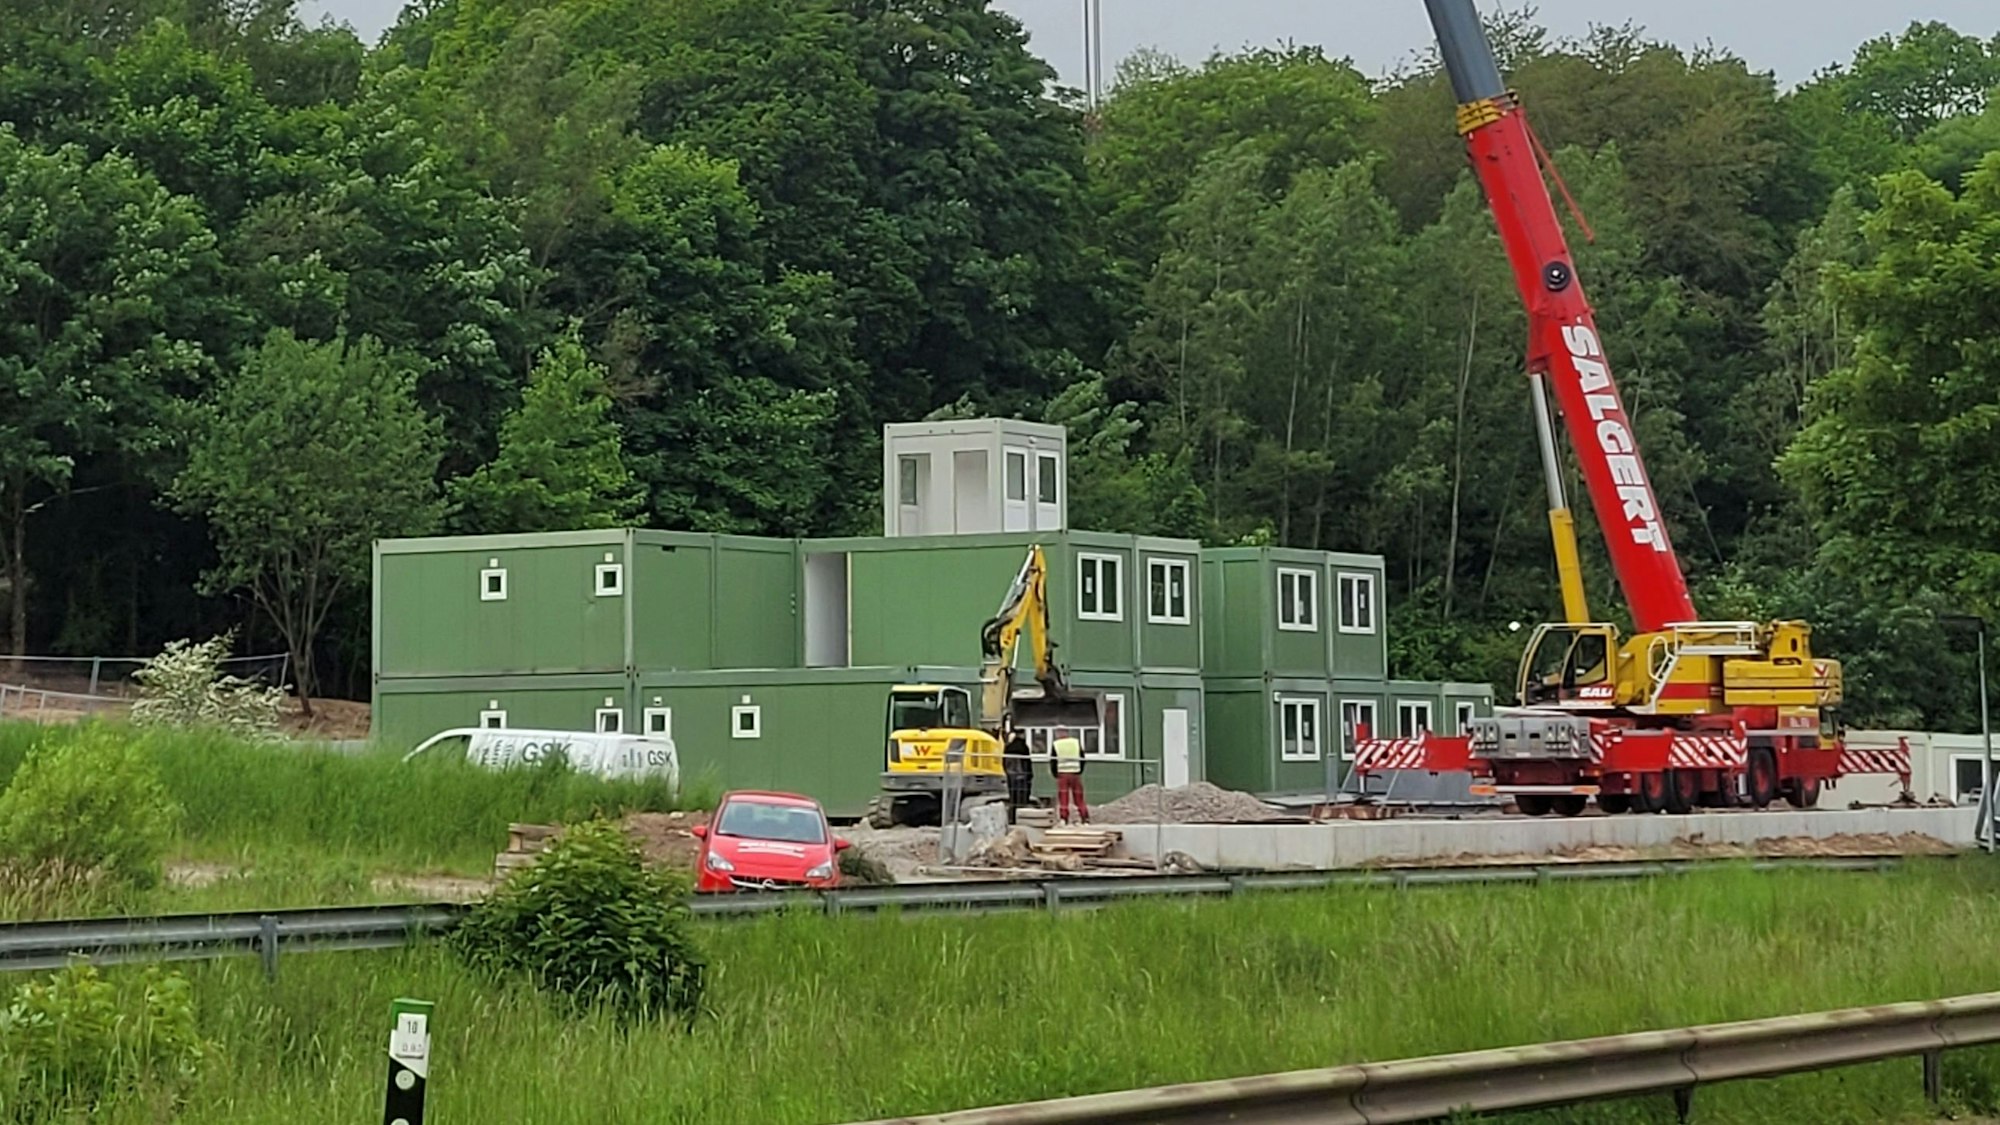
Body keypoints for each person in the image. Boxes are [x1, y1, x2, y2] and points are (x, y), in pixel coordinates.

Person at [1049, 725, 1088, 825]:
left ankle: (1064, 818)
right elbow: (1082, 758)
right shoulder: (1075, 742)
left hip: (1062, 774)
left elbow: (1053, 761)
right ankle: (1084, 817)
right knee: (1079, 797)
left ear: (1059, 733)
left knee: (1063, 797)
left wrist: (1054, 773)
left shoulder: (1056, 744)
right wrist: (1079, 770)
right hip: (1075, 773)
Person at [1002, 721, 1033, 825]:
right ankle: (1021, 819)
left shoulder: (1008, 747)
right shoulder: (1023, 747)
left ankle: (1012, 818)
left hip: (1011, 776)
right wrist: (1029, 775)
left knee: (1013, 799)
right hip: (1022, 776)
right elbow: (1027, 762)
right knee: (1022, 799)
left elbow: (1004, 762)